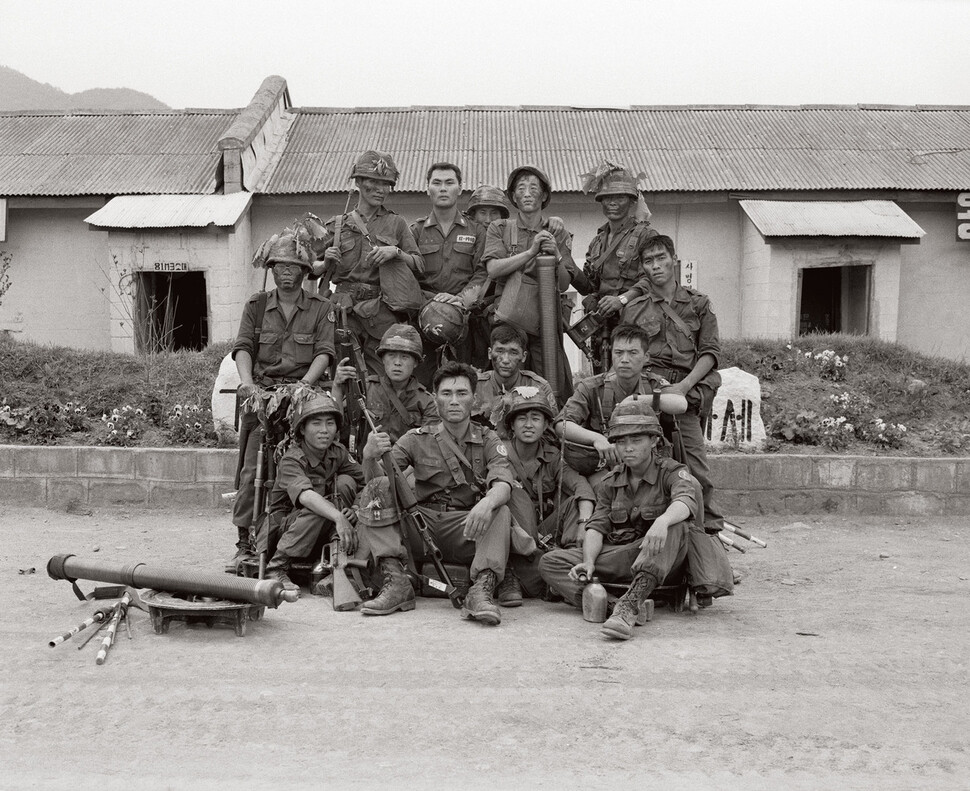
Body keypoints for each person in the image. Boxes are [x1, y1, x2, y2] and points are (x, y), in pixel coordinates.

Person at [357, 361, 515, 625]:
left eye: (462, 393)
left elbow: (503, 483)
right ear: (435, 398)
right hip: (420, 528)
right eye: (446, 393)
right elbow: (378, 484)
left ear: (473, 399)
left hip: (467, 528)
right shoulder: (415, 438)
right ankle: (397, 584)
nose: (454, 401)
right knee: (378, 489)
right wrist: (369, 457)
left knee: (501, 508)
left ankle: (481, 590)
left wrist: (487, 503)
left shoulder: (488, 439)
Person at [539, 399, 698, 641]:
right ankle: (612, 604)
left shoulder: (672, 472)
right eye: (621, 442)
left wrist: (662, 521)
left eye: (636, 441)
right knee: (550, 562)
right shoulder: (610, 481)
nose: (628, 448)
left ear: (654, 440)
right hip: (622, 555)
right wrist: (589, 562)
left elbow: (686, 500)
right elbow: (597, 525)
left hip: (660, 559)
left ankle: (630, 606)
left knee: (677, 526)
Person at [227, 230, 335, 573]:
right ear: (271, 269)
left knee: (300, 467)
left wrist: (304, 386)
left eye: (293, 266)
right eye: (279, 266)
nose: (286, 272)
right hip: (262, 395)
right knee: (250, 471)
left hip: (302, 397)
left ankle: (289, 540)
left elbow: (324, 353)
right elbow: (243, 348)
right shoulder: (256, 306)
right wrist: (248, 385)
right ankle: (244, 543)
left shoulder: (321, 308)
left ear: (305, 271)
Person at [620, 234, 724, 532]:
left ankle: (708, 539)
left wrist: (683, 387)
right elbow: (628, 355)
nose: (656, 266)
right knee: (645, 464)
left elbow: (710, 353)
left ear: (673, 260)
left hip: (686, 397)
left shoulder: (698, 304)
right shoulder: (634, 309)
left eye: (661, 258)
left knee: (696, 469)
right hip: (648, 395)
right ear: (643, 268)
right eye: (648, 261)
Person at [481, 164, 592, 400]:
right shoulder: (499, 228)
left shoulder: (558, 232)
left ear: (544, 196)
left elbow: (562, 285)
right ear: (512, 197)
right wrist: (531, 252)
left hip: (546, 323)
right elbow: (493, 269)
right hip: (509, 320)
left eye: (534, 188)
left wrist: (557, 255)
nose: (527, 193)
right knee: (505, 382)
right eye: (520, 188)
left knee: (551, 385)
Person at [309, 150, 425, 376]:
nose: (381, 190)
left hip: (381, 312)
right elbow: (305, 266)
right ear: (359, 182)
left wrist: (396, 252)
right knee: (343, 374)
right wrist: (324, 264)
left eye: (386, 184)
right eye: (373, 182)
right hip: (343, 311)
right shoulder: (336, 225)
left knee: (382, 375)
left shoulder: (397, 224)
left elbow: (419, 265)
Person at [263, 394, 365, 594]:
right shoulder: (292, 459)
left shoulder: (338, 452)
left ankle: (336, 563)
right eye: (316, 424)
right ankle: (277, 567)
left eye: (330, 424)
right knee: (318, 508)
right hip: (288, 529)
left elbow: (365, 484)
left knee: (346, 483)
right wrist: (338, 517)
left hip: (324, 529)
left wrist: (356, 508)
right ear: (302, 429)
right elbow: (306, 496)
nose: (324, 431)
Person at [502, 385, 595, 590]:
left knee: (573, 504)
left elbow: (581, 486)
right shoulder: (499, 455)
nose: (528, 425)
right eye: (521, 418)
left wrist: (583, 523)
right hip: (512, 534)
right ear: (511, 425)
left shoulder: (552, 456)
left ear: (545, 426)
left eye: (535, 418)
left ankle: (568, 560)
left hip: (543, 531)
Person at [557, 324, 667, 485]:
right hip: (605, 467)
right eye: (618, 352)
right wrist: (597, 439)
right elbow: (562, 425)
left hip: (647, 465)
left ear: (646, 357)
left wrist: (637, 399)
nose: (624, 359)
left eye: (633, 353)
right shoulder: (591, 387)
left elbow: (680, 403)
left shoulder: (653, 384)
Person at [410, 162, 489, 384]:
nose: (443, 188)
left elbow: (483, 273)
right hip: (424, 321)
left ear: (460, 188)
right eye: (437, 183)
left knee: (464, 383)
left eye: (449, 182)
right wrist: (432, 302)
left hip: (466, 323)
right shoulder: (415, 232)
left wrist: (459, 301)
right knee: (424, 384)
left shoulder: (476, 230)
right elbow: (408, 277)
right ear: (428, 189)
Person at [579, 164, 658, 371]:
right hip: (601, 327)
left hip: (634, 324)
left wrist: (621, 300)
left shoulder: (645, 236)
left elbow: (653, 279)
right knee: (601, 384)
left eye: (620, 198)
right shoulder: (597, 241)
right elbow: (591, 284)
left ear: (632, 201)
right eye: (607, 198)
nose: (612, 203)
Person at [332, 323, 438, 445]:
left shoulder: (426, 402)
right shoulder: (365, 389)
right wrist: (337, 387)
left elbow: (430, 446)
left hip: (408, 463)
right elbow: (337, 428)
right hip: (367, 461)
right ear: (383, 359)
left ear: (415, 363)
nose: (397, 362)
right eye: (391, 355)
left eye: (404, 357)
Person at [472, 323, 557, 438]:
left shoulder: (538, 387)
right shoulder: (474, 386)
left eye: (513, 352)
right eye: (500, 351)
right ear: (489, 353)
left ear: (524, 356)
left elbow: (551, 434)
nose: (506, 360)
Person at [463, 185, 511, 368]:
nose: (488, 220)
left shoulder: (510, 239)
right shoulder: (464, 235)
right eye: (482, 212)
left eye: (494, 214)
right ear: (473, 215)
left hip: (498, 321)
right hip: (466, 318)